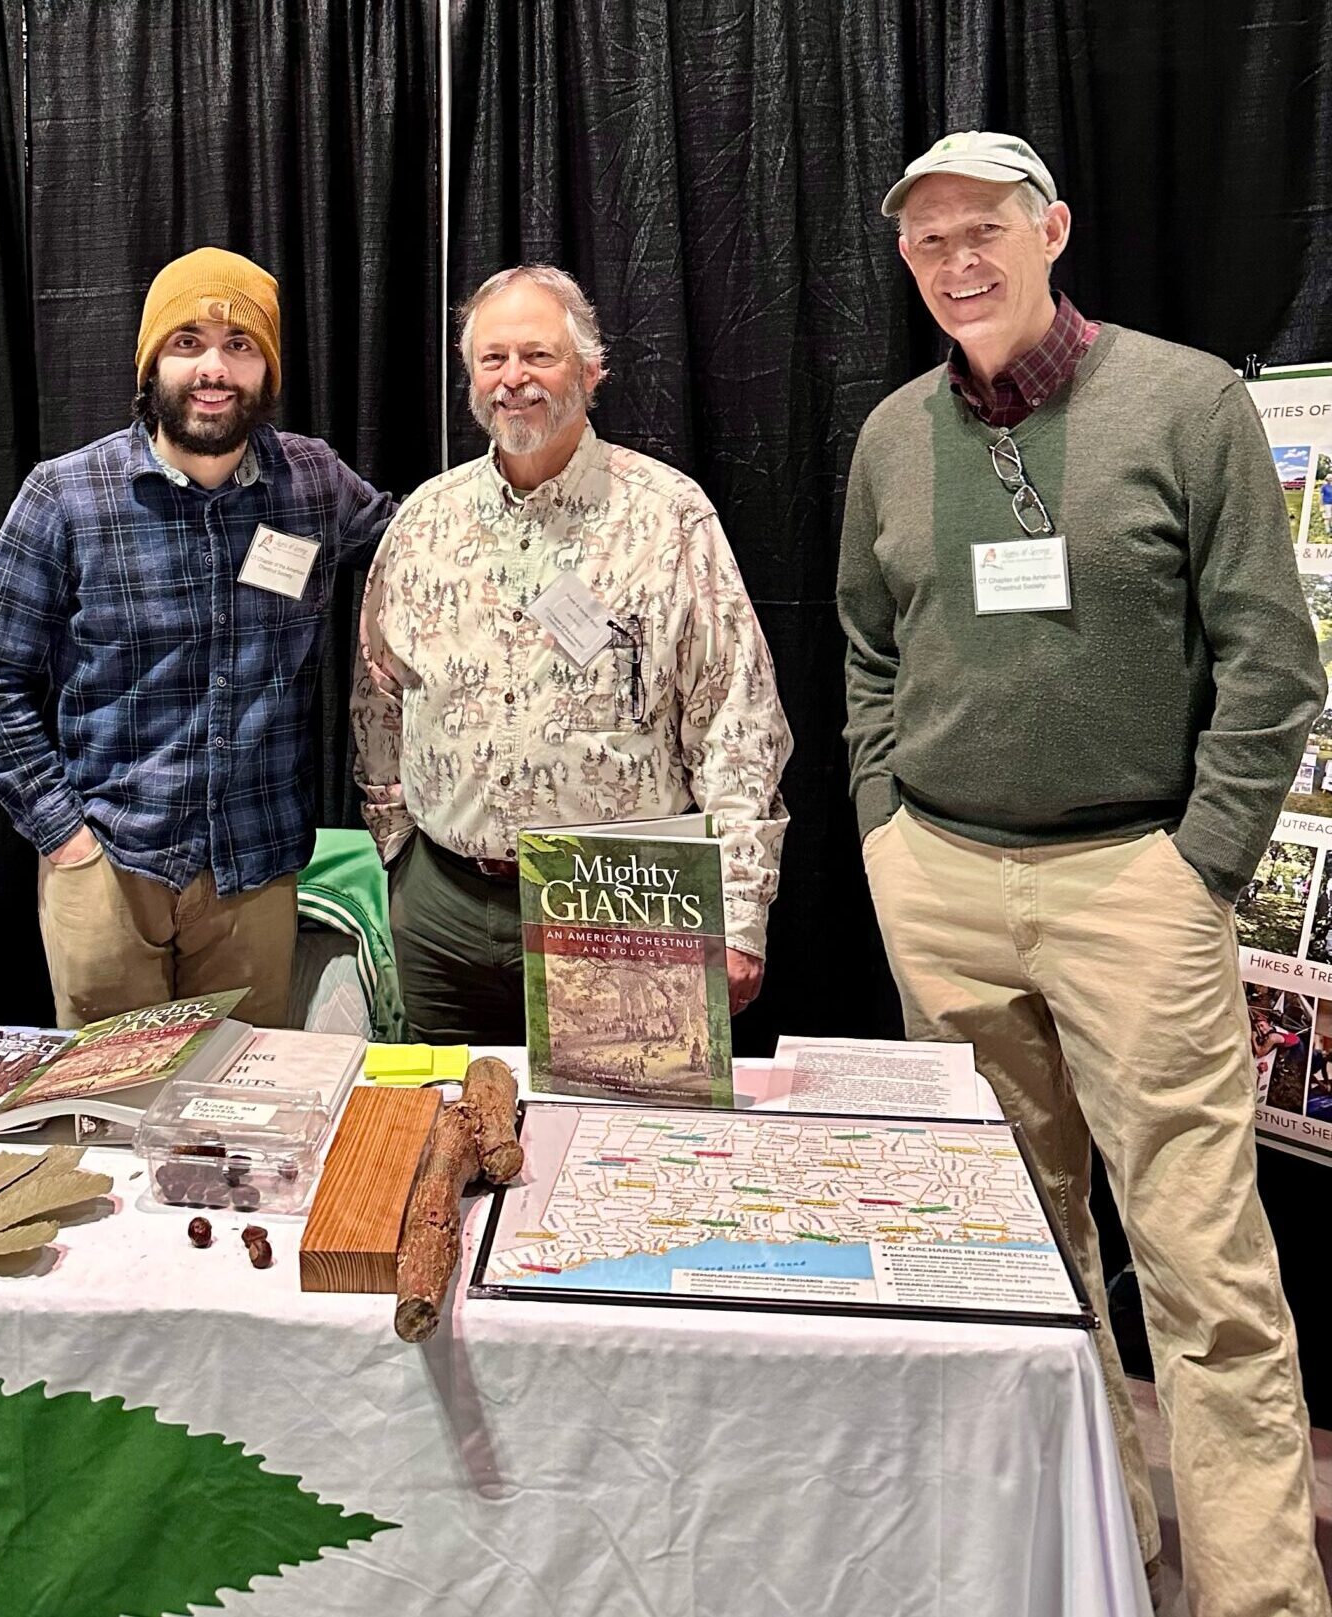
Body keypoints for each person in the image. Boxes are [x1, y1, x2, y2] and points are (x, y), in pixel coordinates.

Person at [838, 130, 1329, 1612]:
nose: (959, 262)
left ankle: (1257, 1595)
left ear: (1054, 228)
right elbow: (870, 650)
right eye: (928, 243)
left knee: (1205, 1274)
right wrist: (881, 830)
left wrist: (1201, 870)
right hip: (943, 885)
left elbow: (1271, 660)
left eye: (984, 228)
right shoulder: (890, 438)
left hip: (1135, 885)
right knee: (1023, 1257)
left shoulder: (1188, 402)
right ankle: (1102, 1554)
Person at [0, 247, 395, 1029]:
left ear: (268, 368)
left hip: (254, 877)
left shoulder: (314, 483)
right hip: (109, 869)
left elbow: (420, 546)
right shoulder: (65, 496)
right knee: (109, 1120)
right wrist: (65, 840)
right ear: (151, 360)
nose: (213, 369)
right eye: (187, 342)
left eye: (240, 346)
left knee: (239, 1117)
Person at [352, 265, 791, 1043]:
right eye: (493, 359)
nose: (513, 379)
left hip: (617, 908)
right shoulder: (424, 519)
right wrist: (397, 851)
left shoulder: (668, 516)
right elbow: (380, 693)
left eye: (538, 356)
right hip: (443, 912)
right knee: (444, 1138)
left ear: (591, 370)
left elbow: (735, 718)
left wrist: (738, 909)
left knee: (624, 1151)